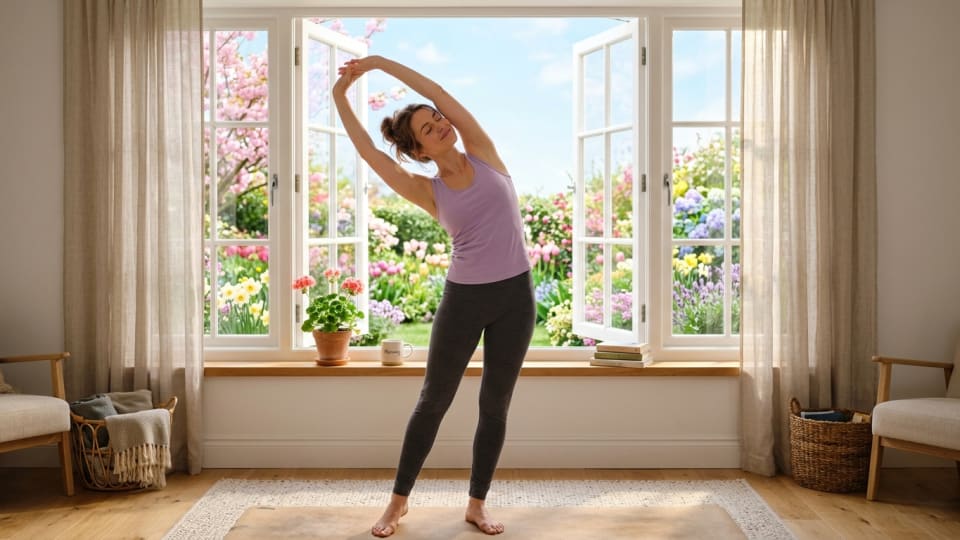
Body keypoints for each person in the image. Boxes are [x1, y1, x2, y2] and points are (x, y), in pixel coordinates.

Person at [332, 55, 535, 537]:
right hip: (463, 300)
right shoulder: (428, 191)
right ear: (419, 150)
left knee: (495, 404)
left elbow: (439, 91)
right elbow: (369, 153)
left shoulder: (484, 152)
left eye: (438, 118)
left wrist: (379, 63)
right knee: (433, 401)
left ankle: (477, 504)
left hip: (516, 298)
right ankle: (397, 504)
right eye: (428, 126)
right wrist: (341, 94)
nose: (440, 124)